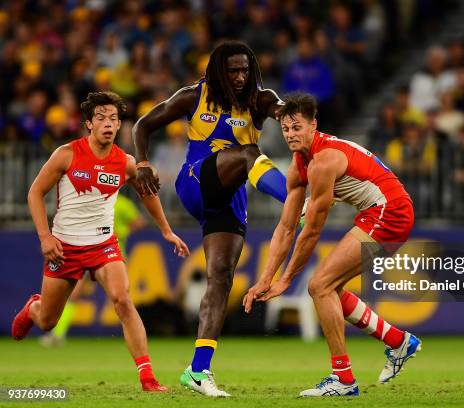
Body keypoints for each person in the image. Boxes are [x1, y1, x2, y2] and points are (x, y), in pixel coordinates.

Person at [132, 41, 287, 397]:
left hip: (229, 200)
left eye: (245, 70)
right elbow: (143, 125)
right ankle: (301, 204)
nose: (240, 77)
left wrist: (287, 113)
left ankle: (198, 370)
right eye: (232, 70)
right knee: (250, 152)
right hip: (195, 181)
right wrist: (141, 163)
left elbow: (278, 108)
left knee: (220, 276)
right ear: (218, 70)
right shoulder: (193, 96)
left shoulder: (260, 100)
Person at [243, 93, 422, 397]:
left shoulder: (323, 162)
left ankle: (344, 379)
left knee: (319, 286)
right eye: (286, 129)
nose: (290, 135)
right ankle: (398, 341)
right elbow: (286, 227)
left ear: (313, 125)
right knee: (331, 288)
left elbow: (311, 232)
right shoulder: (301, 164)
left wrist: (286, 278)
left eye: (297, 127)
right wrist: (265, 278)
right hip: (379, 212)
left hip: (390, 211)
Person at [12, 91, 190, 392]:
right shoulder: (66, 154)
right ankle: (33, 308)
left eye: (113, 119)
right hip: (64, 247)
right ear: (88, 124)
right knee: (47, 322)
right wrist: (45, 236)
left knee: (123, 299)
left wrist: (166, 230)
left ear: (119, 125)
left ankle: (148, 378)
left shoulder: (124, 162)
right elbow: (34, 193)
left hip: (103, 245)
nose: (108, 123)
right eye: (101, 118)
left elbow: (147, 192)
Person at [39, 193, 146, 348]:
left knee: (121, 298)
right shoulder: (98, 200)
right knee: (75, 295)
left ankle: (133, 335)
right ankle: (58, 335)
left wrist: (121, 231)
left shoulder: (122, 203)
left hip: (111, 255)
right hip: (87, 251)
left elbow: (139, 222)